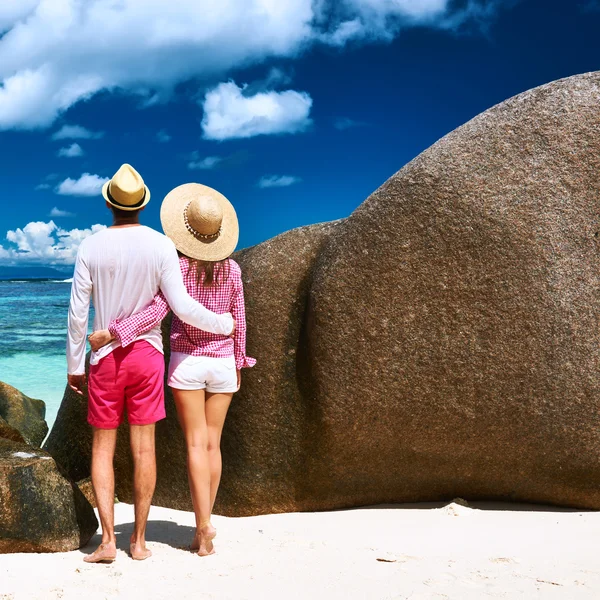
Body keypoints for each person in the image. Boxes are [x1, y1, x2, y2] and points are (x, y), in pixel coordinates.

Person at [67, 165, 235, 564]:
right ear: (141, 205)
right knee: (144, 449)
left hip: (105, 358)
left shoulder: (90, 246)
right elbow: (179, 307)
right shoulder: (161, 246)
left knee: (103, 448)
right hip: (146, 356)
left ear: (109, 202)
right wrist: (223, 324)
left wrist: (75, 364)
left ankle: (108, 541)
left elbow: (77, 315)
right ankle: (138, 541)